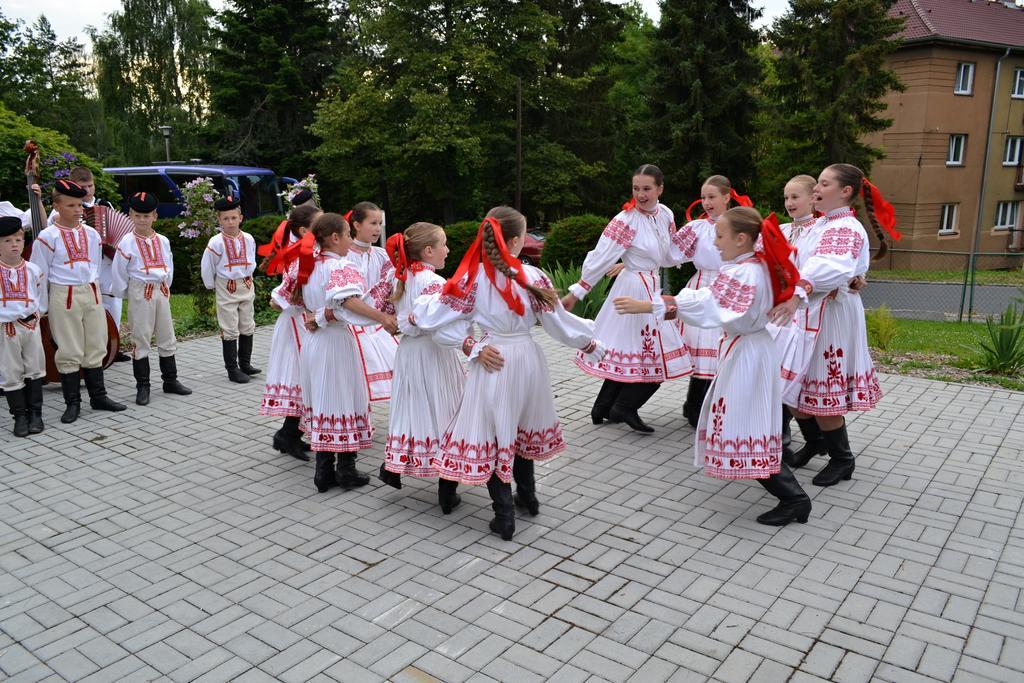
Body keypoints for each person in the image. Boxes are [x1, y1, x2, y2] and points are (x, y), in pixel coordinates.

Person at [412, 207, 606, 541]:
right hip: (527, 358)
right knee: (520, 426)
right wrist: (589, 343)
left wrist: (470, 344)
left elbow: (434, 319)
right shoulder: (534, 277)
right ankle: (527, 497)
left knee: (493, 432)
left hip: (494, 358)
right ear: (515, 241)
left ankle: (505, 515)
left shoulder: (473, 278)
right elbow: (558, 324)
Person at [615, 207, 812, 526]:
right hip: (750, 348)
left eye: (720, 236)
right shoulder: (752, 265)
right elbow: (708, 296)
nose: (716, 243)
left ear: (742, 238)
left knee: (744, 425)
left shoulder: (744, 272)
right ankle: (790, 492)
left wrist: (650, 304)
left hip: (748, 352)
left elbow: (709, 304)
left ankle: (794, 498)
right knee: (747, 423)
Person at [769, 163, 899, 486]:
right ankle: (815, 443)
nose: (816, 189)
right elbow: (800, 261)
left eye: (823, 184)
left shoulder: (845, 227)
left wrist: (804, 289)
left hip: (830, 317)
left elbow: (829, 266)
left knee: (824, 394)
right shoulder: (820, 224)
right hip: (807, 313)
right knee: (794, 390)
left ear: (845, 192)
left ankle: (843, 459)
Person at [562, 164, 692, 434]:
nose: (641, 194)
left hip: (650, 286)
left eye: (646, 188)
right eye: (636, 188)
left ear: (660, 189)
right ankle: (625, 407)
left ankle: (603, 407)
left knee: (631, 352)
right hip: (633, 290)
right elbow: (600, 257)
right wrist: (577, 292)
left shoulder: (665, 213)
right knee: (653, 355)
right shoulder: (625, 220)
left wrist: (697, 249)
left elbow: (667, 254)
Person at [379, 222, 489, 514]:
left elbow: (391, 314)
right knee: (446, 411)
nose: (448, 249)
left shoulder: (399, 277)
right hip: (434, 354)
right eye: (444, 244)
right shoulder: (435, 283)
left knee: (412, 408)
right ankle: (446, 486)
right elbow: (448, 324)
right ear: (428, 251)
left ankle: (394, 466)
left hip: (409, 354)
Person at [295, 213, 399, 493]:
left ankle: (324, 470)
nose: (351, 242)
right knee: (343, 399)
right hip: (336, 342)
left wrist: (318, 315)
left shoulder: (307, 264)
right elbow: (348, 301)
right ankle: (345, 469)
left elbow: (290, 299)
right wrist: (382, 317)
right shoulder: (340, 265)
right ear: (335, 238)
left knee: (326, 401)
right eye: (348, 236)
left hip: (315, 342)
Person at [30, 179, 126, 422]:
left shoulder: (92, 234)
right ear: (57, 206)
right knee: (69, 349)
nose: (77, 210)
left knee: (96, 344)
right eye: (71, 205)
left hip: (90, 292)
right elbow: (39, 274)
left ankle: (99, 396)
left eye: (80, 205)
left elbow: (94, 264)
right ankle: (72, 403)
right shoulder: (47, 238)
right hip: (65, 295)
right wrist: (41, 307)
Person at [674, 174, 753, 427]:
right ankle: (695, 407)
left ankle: (708, 407)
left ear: (727, 197)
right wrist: (633, 264)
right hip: (701, 287)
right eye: (703, 197)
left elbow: (760, 254)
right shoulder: (696, 228)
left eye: (712, 197)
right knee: (700, 353)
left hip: (728, 289)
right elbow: (667, 252)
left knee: (719, 353)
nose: (706, 202)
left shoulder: (741, 225)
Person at [110, 192, 191, 406]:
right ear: (130, 215)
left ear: (155, 216)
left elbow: (169, 266)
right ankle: (143, 385)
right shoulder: (126, 243)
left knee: (167, 335)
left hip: (160, 290)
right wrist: (128, 293)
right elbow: (119, 272)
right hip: (140, 291)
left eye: (147, 216)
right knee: (141, 338)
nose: (142, 220)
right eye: (137, 215)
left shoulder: (162, 241)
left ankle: (170, 380)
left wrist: (166, 285)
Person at [259, 204, 323, 461]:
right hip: (298, 325)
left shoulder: (312, 251)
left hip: (306, 323)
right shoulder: (301, 255)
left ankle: (290, 435)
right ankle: (288, 435)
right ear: (305, 230)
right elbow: (280, 296)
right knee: (302, 381)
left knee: (308, 381)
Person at [48, 167, 132, 362]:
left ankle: (113, 344)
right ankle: (88, 347)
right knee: (91, 305)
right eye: (83, 186)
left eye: (90, 185)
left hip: (106, 261)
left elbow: (117, 228)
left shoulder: (104, 204)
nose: (88, 190)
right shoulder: (62, 210)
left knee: (112, 302)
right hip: (80, 266)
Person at [201, 194, 261, 383]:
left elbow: (252, 259)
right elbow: (208, 265)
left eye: (234, 217)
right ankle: (232, 369)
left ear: (241, 218)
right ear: (219, 220)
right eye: (226, 218)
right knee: (229, 327)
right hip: (227, 286)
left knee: (247, 323)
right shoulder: (216, 242)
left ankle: (245, 363)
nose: (230, 222)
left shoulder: (249, 238)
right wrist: (211, 285)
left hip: (246, 284)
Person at [344, 202, 399, 402]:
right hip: (350, 323)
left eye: (380, 223)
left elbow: (390, 288)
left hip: (375, 324)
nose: (377, 228)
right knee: (353, 379)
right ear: (356, 225)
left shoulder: (381, 254)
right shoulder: (345, 255)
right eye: (372, 223)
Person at [0, 216, 48, 436]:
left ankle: (35, 414)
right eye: (8, 241)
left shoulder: (33, 270)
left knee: (35, 368)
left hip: (30, 326)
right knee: (11, 372)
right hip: (6, 329)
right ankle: (19, 416)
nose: (14, 245)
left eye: (18, 240)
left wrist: (37, 315)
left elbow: (41, 297)